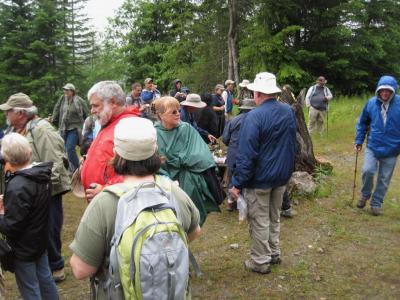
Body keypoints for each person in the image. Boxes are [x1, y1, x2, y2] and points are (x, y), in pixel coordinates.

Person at [69, 117, 201, 299]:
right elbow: (194, 232)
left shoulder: (104, 203)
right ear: (155, 151)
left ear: (117, 154)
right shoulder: (175, 193)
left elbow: (80, 269)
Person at [230, 72, 296, 274]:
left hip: (260, 179)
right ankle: (273, 252)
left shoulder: (254, 116)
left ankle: (260, 260)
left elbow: (246, 155)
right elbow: (293, 144)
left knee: (260, 220)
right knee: (274, 216)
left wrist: (237, 183)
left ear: (257, 93)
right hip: (281, 176)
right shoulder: (288, 111)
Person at [0, 93, 70, 282]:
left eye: (9, 111)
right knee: (33, 230)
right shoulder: (14, 129)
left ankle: (56, 266)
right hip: (26, 190)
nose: (6, 114)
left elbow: (53, 162)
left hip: (45, 190)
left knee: (50, 228)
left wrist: (45, 191)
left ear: (21, 113)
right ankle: (44, 265)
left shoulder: (42, 129)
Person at [0, 133, 58, 299]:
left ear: (8, 159)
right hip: (39, 241)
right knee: (46, 279)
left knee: (29, 286)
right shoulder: (42, 175)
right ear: (30, 152)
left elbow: (11, 227)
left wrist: (1, 213)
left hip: (23, 249)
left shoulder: (18, 186)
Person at [153, 96, 222, 226]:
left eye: (179, 110)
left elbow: (201, 154)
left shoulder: (187, 129)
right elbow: (155, 162)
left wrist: (179, 160)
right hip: (165, 185)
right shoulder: (153, 134)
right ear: (161, 115)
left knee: (190, 220)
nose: (178, 114)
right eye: (173, 112)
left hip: (190, 182)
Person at [80, 81, 139, 201]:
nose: (92, 110)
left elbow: (136, 174)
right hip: (102, 203)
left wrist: (106, 190)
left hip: (114, 204)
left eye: (95, 105)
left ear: (112, 102)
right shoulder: (109, 121)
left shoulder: (129, 126)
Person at [355, 75, 400, 216]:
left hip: (392, 148)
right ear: (378, 91)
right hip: (373, 145)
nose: (385, 93)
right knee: (367, 170)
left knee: (384, 178)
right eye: (382, 90)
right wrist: (359, 140)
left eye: (388, 90)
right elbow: (362, 122)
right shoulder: (371, 103)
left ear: (393, 91)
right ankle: (365, 194)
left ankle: (376, 203)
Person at [222, 98, 256, 211]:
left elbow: (225, 139)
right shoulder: (256, 121)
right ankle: (246, 203)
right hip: (249, 155)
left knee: (232, 177)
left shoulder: (233, 120)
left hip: (234, 154)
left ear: (241, 109)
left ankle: (230, 202)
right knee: (248, 177)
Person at [52, 83, 89, 172]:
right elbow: (56, 109)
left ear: (72, 91)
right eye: (64, 90)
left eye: (67, 90)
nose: (65, 91)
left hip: (75, 128)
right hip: (63, 128)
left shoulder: (79, 100)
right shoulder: (62, 99)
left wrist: (86, 125)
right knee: (62, 150)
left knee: (69, 149)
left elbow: (86, 113)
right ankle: (68, 169)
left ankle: (78, 169)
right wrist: (54, 119)